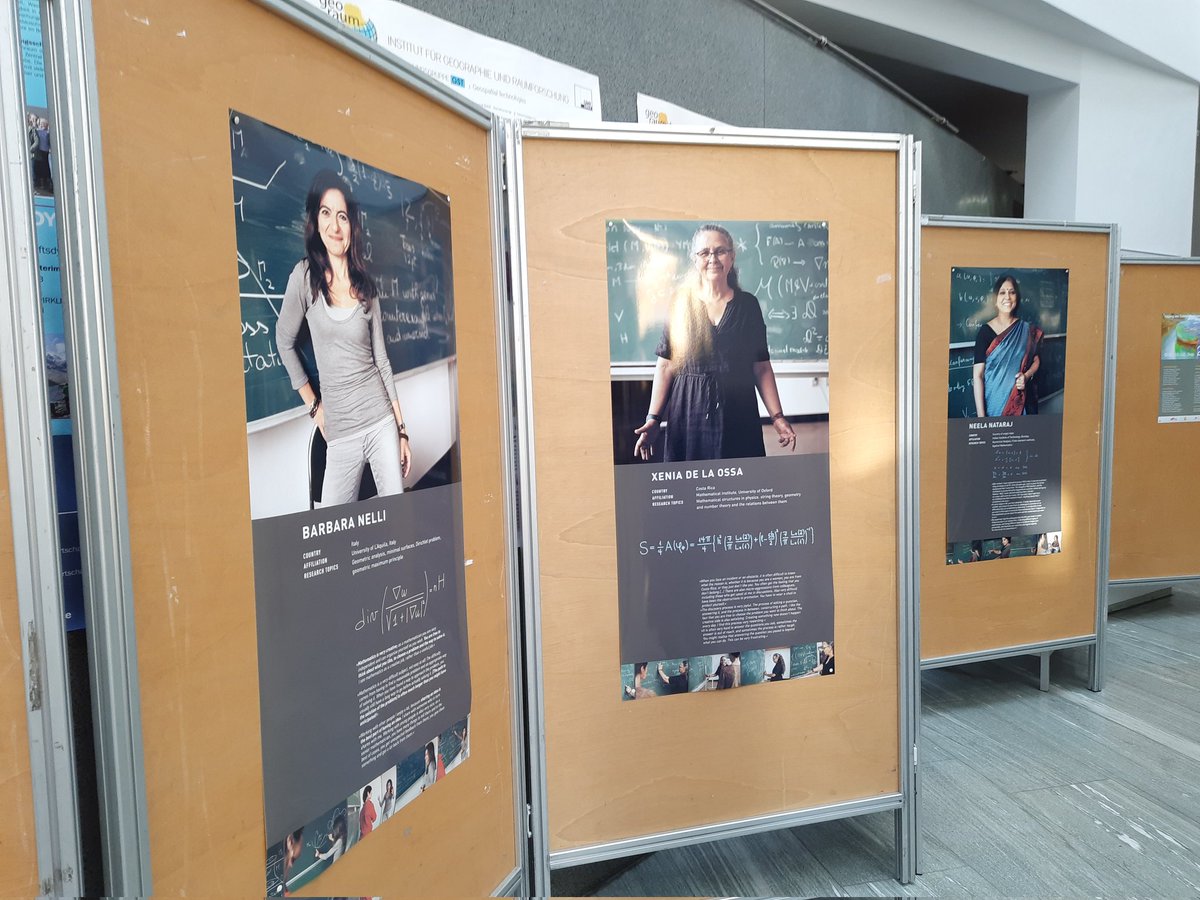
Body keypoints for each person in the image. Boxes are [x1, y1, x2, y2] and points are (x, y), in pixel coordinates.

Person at [276, 170, 410, 505]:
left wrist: (402, 430)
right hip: (341, 432)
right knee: (334, 535)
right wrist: (315, 407)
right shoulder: (304, 278)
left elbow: (381, 361)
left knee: (396, 523)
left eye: (342, 217)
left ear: (352, 226)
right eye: (326, 213)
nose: (335, 226)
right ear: (315, 221)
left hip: (380, 422)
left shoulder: (366, 287)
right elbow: (284, 342)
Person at [634, 224, 796, 461]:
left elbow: (761, 367)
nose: (713, 258)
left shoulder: (748, 306)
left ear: (732, 256)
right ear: (694, 259)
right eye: (704, 252)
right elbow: (666, 365)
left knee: (740, 489)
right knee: (691, 489)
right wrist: (653, 419)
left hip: (738, 413)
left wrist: (777, 417)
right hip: (689, 413)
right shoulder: (680, 303)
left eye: (720, 251)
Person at [972, 274, 1042, 417]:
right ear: (995, 300)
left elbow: (1036, 360)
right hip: (993, 406)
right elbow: (978, 376)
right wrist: (981, 418)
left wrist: (1027, 376)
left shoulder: (1026, 330)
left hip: (1022, 406)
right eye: (1002, 292)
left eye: (1012, 292)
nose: (1007, 297)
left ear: (1017, 297)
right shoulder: (985, 332)